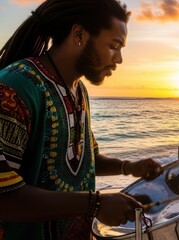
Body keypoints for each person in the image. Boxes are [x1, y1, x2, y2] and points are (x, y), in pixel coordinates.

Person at [0, 0, 163, 239]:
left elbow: (85, 159)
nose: (119, 59)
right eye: (114, 45)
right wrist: (94, 204)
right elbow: (4, 198)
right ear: (79, 34)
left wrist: (127, 167)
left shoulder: (78, 91)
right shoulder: (14, 89)